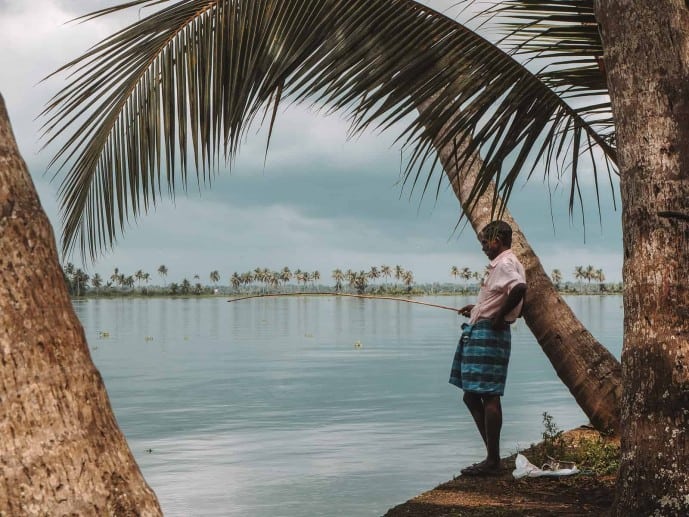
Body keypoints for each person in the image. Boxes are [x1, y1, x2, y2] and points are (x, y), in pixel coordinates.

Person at [449, 220, 527, 476]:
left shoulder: (504, 263)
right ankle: (492, 455)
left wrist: (496, 316)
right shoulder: (505, 263)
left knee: (488, 395)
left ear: (499, 239)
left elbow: (518, 289)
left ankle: (493, 459)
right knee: (472, 395)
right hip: (484, 331)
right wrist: (479, 308)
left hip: (490, 334)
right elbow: (502, 295)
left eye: (486, 241)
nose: (483, 247)